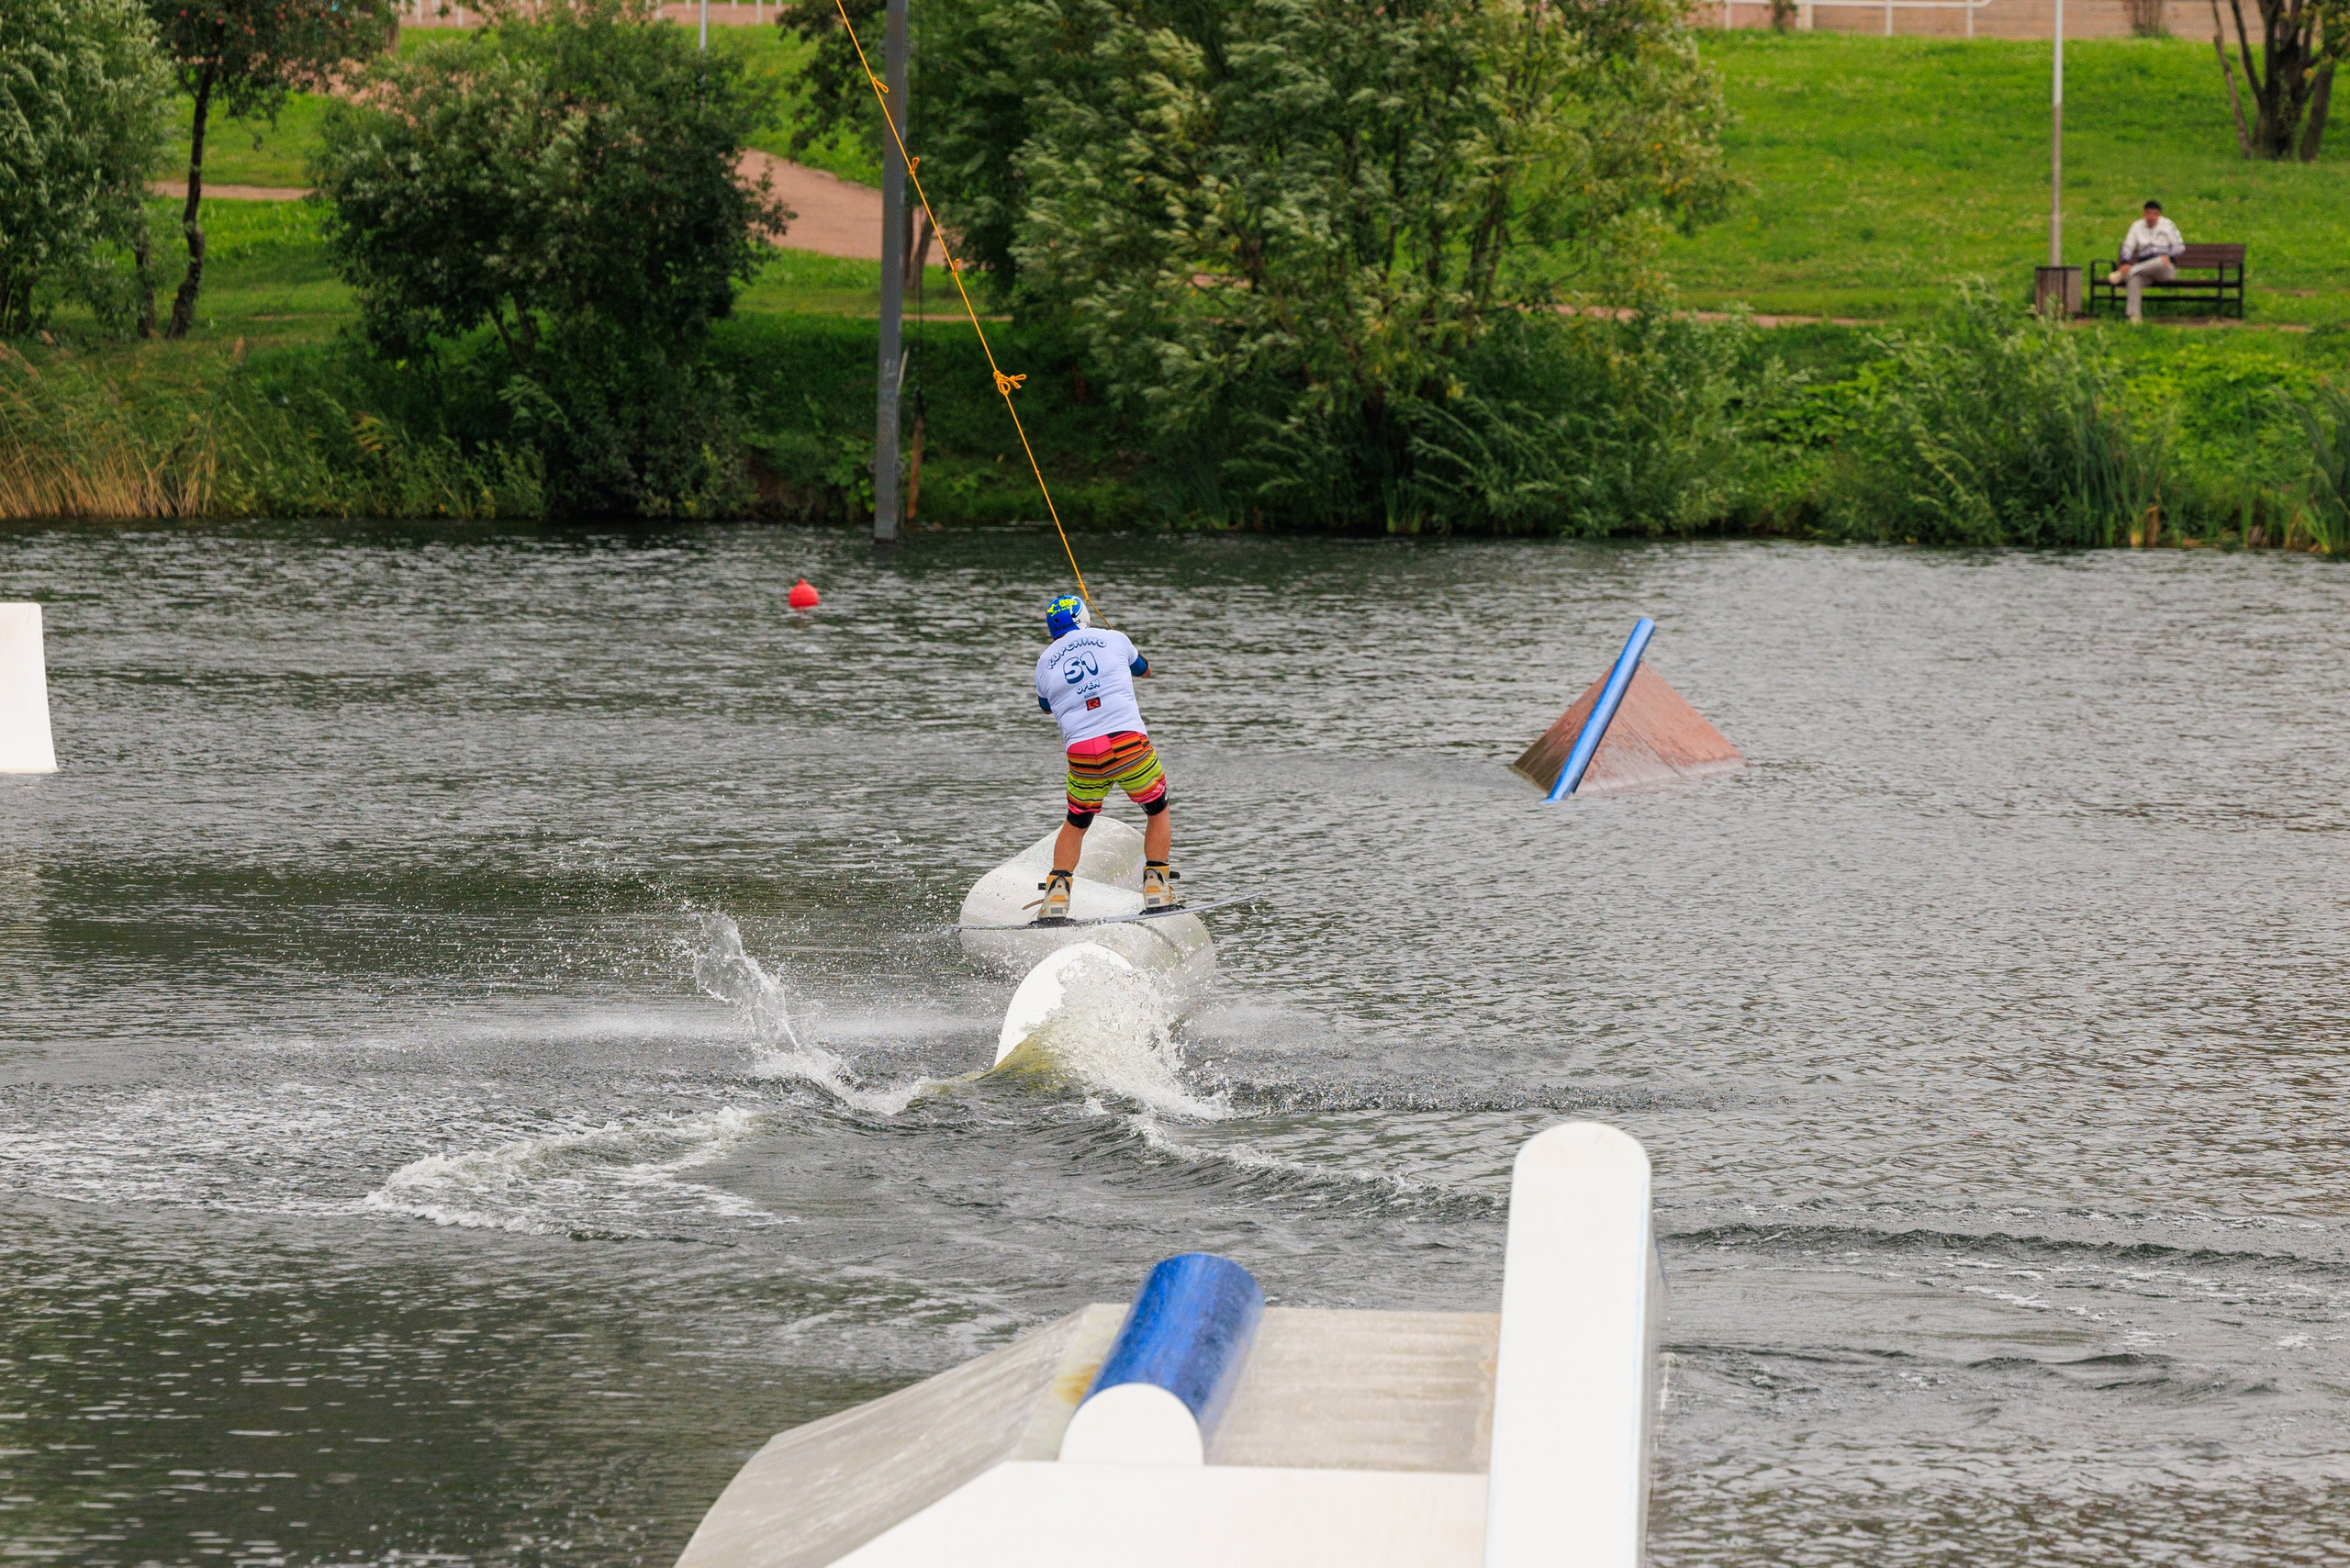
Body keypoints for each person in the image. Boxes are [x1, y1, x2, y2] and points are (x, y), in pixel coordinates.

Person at [1032, 594, 1178, 924]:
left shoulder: (1044, 662)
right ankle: (1156, 888)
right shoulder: (1114, 638)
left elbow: (1045, 706)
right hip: (1127, 744)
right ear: (1085, 617)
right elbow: (1145, 670)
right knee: (1157, 809)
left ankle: (1056, 897)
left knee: (1077, 822)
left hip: (1082, 754)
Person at [2108, 200, 2184, 323]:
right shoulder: (2136, 226)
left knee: (2158, 261)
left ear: (2159, 215)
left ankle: (2126, 272)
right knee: (2133, 278)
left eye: (2154, 214)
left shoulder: (2168, 225)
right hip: (2145, 270)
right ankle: (2134, 317)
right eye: (2148, 213)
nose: (2151, 217)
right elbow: (2128, 246)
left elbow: (2179, 247)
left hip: (2164, 269)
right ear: (2144, 214)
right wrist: (2125, 262)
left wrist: (2168, 256)